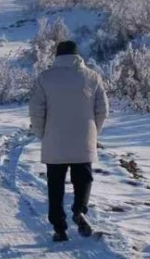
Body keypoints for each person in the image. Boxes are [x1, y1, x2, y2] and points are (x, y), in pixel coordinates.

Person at [29, 40, 109, 242]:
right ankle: (79, 210)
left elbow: (36, 111)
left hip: (54, 140)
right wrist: (93, 132)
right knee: (83, 179)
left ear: (57, 56)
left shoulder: (45, 78)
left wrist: (42, 134)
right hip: (83, 139)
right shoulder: (92, 77)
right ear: (77, 56)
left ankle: (59, 228)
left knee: (55, 185)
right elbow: (102, 110)